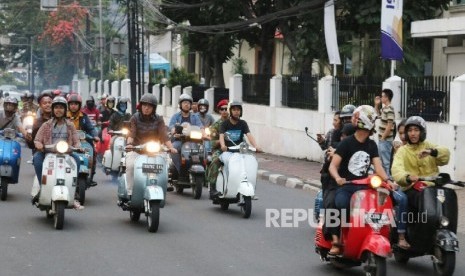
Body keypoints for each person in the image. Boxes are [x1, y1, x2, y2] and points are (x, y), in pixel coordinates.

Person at [328, 105, 406, 255]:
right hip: (347, 186)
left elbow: (379, 168)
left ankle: (381, 234)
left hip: (364, 187)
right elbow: (333, 166)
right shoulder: (347, 143)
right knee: (341, 204)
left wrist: (389, 181)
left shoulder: (371, 145)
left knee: (381, 206)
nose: (374, 122)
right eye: (372, 119)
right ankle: (337, 240)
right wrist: (338, 178)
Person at [32, 96, 84, 210]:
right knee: (36, 159)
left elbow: (76, 141)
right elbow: (37, 139)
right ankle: (42, 187)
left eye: (61, 107)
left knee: (78, 161)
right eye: (56, 107)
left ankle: (74, 192)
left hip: (67, 154)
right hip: (47, 153)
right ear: (53, 109)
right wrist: (39, 145)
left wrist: (79, 147)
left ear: (65, 110)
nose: (58, 110)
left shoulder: (70, 125)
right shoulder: (46, 124)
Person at [123, 94, 177, 202]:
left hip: (154, 150)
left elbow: (164, 135)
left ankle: (161, 187)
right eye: (144, 105)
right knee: (130, 165)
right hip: (137, 150)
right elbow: (131, 133)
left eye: (149, 106)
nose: (146, 108)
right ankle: (130, 192)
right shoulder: (134, 118)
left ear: (154, 108)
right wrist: (129, 144)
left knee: (166, 166)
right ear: (141, 106)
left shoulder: (159, 119)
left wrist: (171, 147)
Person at [391, 116, 450, 214]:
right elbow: (396, 170)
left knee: (447, 199)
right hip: (412, 188)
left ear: (422, 132)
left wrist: (432, 152)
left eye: (416, 130)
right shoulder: (402, 151)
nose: (413, 133)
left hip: (432, 187)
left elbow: (446, 155)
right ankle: (413, 228)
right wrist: (408, 177)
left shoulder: (429, 146)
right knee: (423, 200)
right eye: (410, 130)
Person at [214, 101, 261, 196]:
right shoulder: (225, 124)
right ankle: (215, 188)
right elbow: (222, 136)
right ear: (230, 111)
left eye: (238, 110)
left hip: (240, 152)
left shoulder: (243, 123)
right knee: (215, 162)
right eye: (234, 110)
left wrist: (256, 146)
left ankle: (246, 184)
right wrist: (223, 145)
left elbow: (249, 135)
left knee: (249, 163)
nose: (236, 112)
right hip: (227, 151)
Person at [66, 93, 100, 186]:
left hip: (82, 141)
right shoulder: (64, 116)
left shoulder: (84, 116)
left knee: (92, 151)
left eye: (76, 104)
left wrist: (95, 135)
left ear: (79, 105)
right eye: (71, 104)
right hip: (66, 141)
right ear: (68, 105)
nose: (73, 106)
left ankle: (91, 176)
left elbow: (91, 128)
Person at [168, 93, 204, 179]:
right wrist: (174, 131)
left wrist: (204, 134)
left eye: (188, 103)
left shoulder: (195, 116)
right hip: (179, 141)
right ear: (180, 104)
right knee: (174, 149)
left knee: (203, 151)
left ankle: (201, 171)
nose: (187, 104)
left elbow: (201, 126)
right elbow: (171, 127)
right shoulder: (176, 116)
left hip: (192, 141)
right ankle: (180, 170)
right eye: (184, 103)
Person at [206, 99, 229, 198]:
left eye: (226, 109)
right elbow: (211, 143)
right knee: (215, 160)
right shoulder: (216, 125)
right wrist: (220, 141)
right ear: (219, 111)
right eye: (222, 109)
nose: (224, 111)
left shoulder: (235, 122)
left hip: (234, 150)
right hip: (220, 150)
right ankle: (213, 188)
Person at [375, 88, 395, 177]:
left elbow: (389, 125)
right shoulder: (385, 109)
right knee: (381, 162)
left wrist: (383, 138)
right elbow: (378, 115)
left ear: (387, 98)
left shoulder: (390, 109)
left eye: (382, 96)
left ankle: (388, 180)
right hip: (382, 140)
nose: (381, 98)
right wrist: (376, 105)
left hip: (385, 141)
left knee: (386, 162)